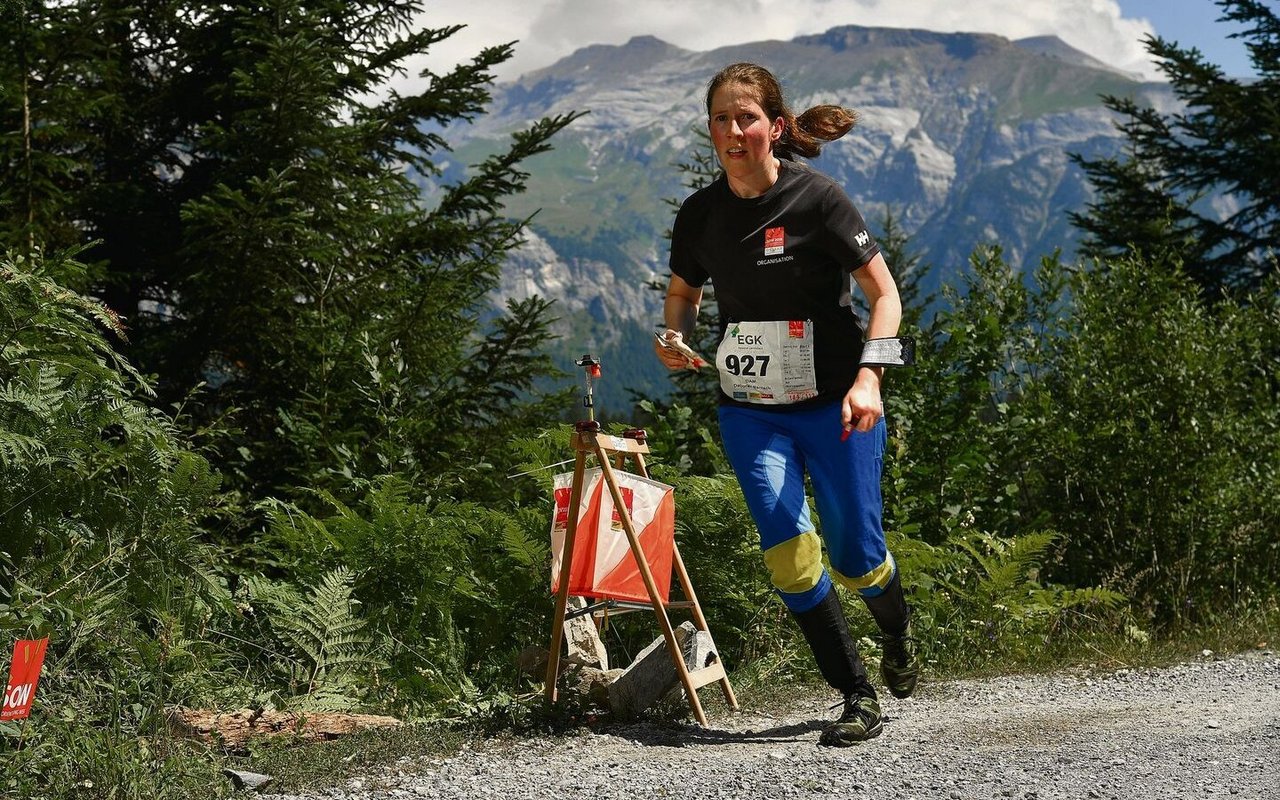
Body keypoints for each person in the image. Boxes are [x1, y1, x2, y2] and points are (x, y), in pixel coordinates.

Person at [654, 62, 917, 746]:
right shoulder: (701, 215)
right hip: (751, 410)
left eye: (746, 118)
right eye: (720, 119)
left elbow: (885, 295)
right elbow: (683, 293)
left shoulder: (819, 200)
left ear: (775, 127)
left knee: (858, 558)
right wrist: (674, 336)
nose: (733, 131)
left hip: (836, 403)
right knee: (789, 557)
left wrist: (870, 379)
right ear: (710, 130)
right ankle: (856, 694)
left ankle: (897, 629)